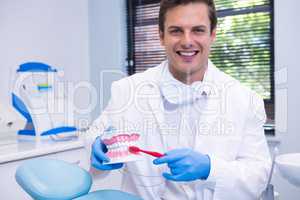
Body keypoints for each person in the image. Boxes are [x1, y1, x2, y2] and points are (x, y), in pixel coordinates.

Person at [86, 0, 271, 199]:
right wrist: (97, 146)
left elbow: (258, 175)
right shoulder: (127, 90)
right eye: (176, 31)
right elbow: (98, 134)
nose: (187, 41)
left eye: (198, 30)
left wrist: (210, 169)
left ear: (212, 35)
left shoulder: (245, 99)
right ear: (161, 36)